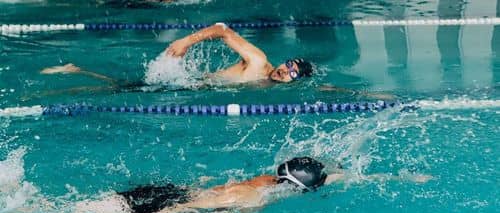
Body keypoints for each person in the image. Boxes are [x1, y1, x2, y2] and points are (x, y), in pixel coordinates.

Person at [66, 157, 433, 213]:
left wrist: (399, 177)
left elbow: (334, 175)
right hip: (163, 202)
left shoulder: (265, 181)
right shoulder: (251, 201)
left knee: (76, 207)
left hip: (171, 189)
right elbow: (188, 206)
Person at [39, 23, 314, 94]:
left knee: (123, 87)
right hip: (187, 86)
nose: (284, 70)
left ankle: (77, 71)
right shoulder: (258, 61)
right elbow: (222, 31)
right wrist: (186, 41)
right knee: (118, 90)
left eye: (292, 72)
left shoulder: (270, 86)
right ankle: (75, 72)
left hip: (194, 88)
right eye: (287, 64)